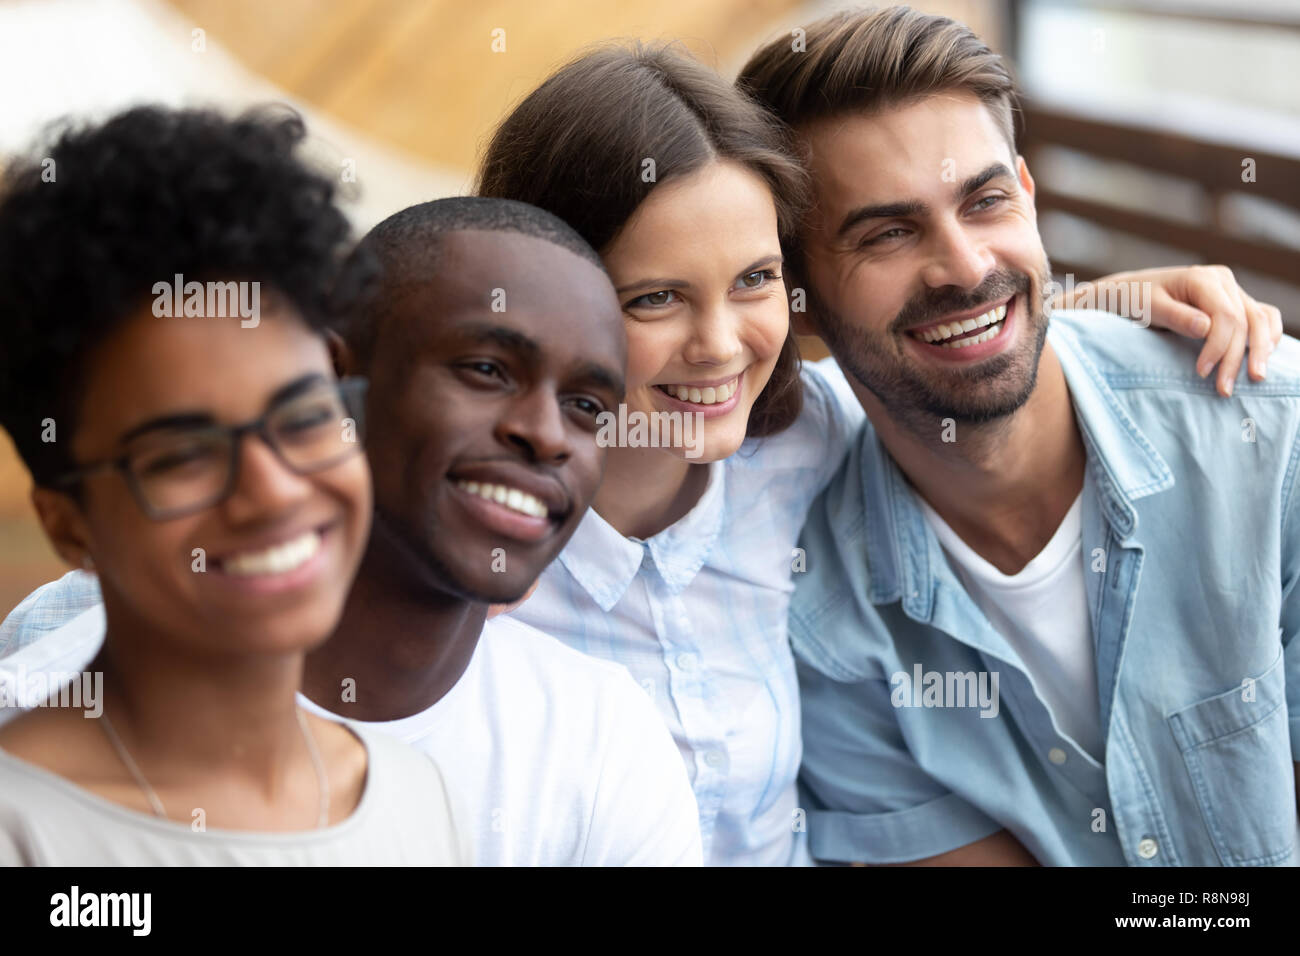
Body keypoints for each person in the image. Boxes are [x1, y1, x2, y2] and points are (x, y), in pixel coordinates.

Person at [476, 41, 1283, 865]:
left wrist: (1093, 308)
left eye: (752, 281)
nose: (719, 347)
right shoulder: (474, 550)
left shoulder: (794, 440)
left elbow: (955, 340)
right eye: (654, 299)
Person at [738, 5, 1298, 866]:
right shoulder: (825, 610)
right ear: (798, 292)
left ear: (1028, 199)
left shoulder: (1272, 438)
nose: (965, 267)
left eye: (986, 201)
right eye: (887, 232)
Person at [0, 195, 704, 866]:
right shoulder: (36, 722)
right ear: (334, 383)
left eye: (586, 405)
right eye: (486, 370)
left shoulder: (590, 744)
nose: (545, 435)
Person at [0, 106, 463, 864]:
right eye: (182, 455)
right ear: (68, 524)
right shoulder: (25, 836)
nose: (275, 492)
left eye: (306, 418)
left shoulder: (418, 803)